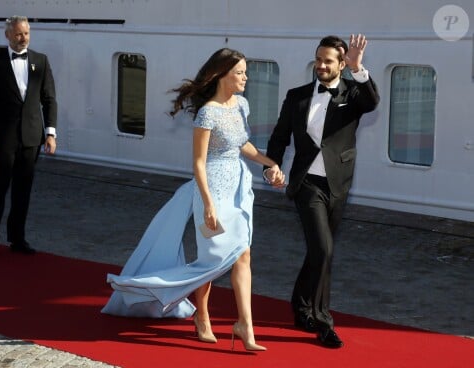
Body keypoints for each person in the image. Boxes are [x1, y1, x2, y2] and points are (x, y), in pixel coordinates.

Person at [102, 48, 285, 351]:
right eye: (240, 72)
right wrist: (208, 203)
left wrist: (269, 163)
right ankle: (202, 315)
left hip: (239, 189)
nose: (245, 77)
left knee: (243, 254)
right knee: (210, 262)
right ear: (222, 74)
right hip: (210, 191)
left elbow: (243, 145)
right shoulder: (207, 112)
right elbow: (198, 162)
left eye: (244, 72)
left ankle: (245, 325)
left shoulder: (241, 105)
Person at [264, 34, 380, 348]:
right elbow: (279, 137)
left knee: (319, 251)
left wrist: (359, 69)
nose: (321, 66)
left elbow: (372, 102)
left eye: (328, 61)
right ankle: (322, 321)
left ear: (341, 65)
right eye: (318, 59)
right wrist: (270, 165)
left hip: (338, 184)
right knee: (324, 251)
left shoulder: (353, 93)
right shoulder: (297, 96)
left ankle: (300, 307)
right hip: (306, 185)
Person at [0, 15, 58, 257]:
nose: (23, 39)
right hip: (3, 140)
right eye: (18, 34)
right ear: (7, 35)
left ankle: (17, 239)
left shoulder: (40, 61)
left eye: (26, 34)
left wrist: (50, 133)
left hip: (32, 138)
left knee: (23, 192)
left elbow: (49, 99)